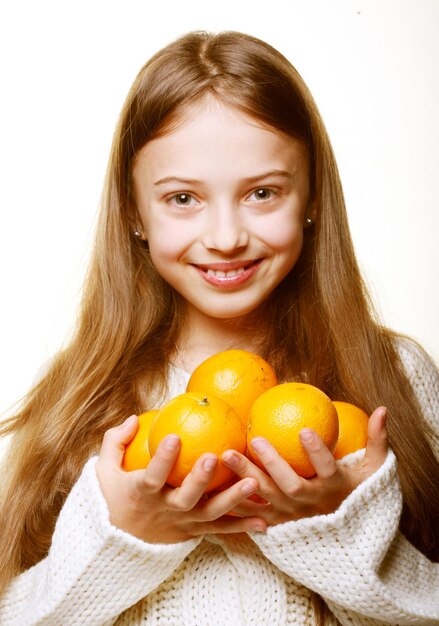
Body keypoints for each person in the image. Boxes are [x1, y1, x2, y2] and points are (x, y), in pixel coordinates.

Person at [0, 30, 438, 626]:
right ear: (134, 212)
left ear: (312, 198)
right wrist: (124, 540)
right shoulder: (82, 397)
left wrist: (338, 529)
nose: (226, 236)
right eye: (183, 198)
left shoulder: (394, 376)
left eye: (262, 192)